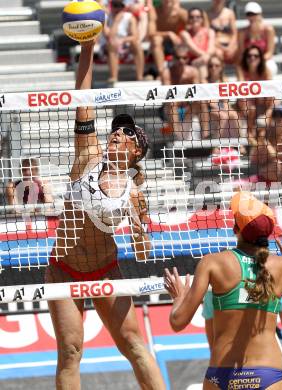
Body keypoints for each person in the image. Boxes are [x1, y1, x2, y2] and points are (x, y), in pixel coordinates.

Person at [45, 39, 165, 390]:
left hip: (105, 268)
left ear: (136, 151)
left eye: (127, 132)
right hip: (63, 267)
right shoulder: (88, 154)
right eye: (117, 128)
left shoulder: (134, 193)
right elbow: (83, 100)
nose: (117, 132)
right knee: (69, 351)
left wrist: (141, 228)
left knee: (134, 346)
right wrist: (87, 49)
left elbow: (142, 254)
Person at [164, 191, 282, 390]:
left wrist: (179, 297)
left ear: (236, 229)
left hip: (221, 375)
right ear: (267, 234)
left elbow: (177, 322)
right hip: (266, 373)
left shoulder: (213, 262)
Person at [202, 294, 282, 390]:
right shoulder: (212, 292)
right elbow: (209, 321)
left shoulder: (260, 283)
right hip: (232, 344)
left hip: (266, 339)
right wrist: (213, 352)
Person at [162, 45, 200, 140]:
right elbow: (168, 95)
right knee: (172, 103)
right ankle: (176, 136)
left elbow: (198, 93)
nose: (181, 61)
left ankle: (207, 136)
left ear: (188, 59)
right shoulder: (167, 73)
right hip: (171, 109)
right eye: (178, 58)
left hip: (188, 108)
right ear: (173, 58)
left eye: (184, 58)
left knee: (202, 102)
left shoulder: (193, 72)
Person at [236, 45, 272, 140]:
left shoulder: (265, 71)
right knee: (248, 104)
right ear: (245, 58)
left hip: (262, 105)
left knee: (270, 97)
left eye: (256, 56)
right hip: (247, 104)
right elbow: (241, 89)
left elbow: (271, 92)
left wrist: (267, 113)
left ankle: (262, 126)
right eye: (249, 56)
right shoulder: (241, 70)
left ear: (260, 58)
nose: (252, 58)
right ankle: (250, 131)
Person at [200, 55, 240, 140]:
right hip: (208, 109)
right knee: (224, 116)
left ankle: (240, 144)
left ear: (221, 67)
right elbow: (209, 102)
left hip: (221, 106)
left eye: (216, 65)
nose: (213, 68)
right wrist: (223, 109)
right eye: (211, 66)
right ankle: (216, 146)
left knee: (235, 115)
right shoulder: (205, 81)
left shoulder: (224, 81)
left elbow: (225, 102)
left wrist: (227, 109)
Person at [105, 0, 145, 82]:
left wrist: (122, 40)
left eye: (120, 6)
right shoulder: (106, 17)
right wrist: (116, 21)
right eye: (115, 5)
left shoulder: (129, 17)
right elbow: (109, 36)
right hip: (109, 47)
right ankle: (114, 77)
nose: (118, 8)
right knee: (112, 44)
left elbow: (135, 36)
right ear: (111, 6)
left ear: (123, 7)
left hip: (124, 45)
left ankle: (140, 77)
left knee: (136, 44)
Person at [148, 0, 188, 77]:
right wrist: (168, 34)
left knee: (185, 36)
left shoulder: (182, 13)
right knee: (156, 40)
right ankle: (161, 72)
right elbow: (150, 33)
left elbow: (191, 29)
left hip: (176, 43)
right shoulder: (154, 12)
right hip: (160, 43)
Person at [237, 2, 277, 76]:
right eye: (249, 14)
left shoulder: (268, 30)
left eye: (254, 14)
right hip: (249, 60)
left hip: (264, 60)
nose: (252, 17)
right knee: (240, 67)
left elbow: (270, 53)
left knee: (269, 67)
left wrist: (258, 60)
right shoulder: (242, 33)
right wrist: (251, 60)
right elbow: (242, 53)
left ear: (260, 14)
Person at [180, 8, 216, 83]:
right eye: (192, 17)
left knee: (203, 64)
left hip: (206, 62)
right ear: (188, 19)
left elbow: (211, 49)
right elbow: (193, 49)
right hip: (191, 63)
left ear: (202, 19)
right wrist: (205, 57)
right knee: (201, 65)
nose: (194, 19)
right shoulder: (185, 34)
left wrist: (205, 58)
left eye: (198, 17)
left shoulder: (210, 32)